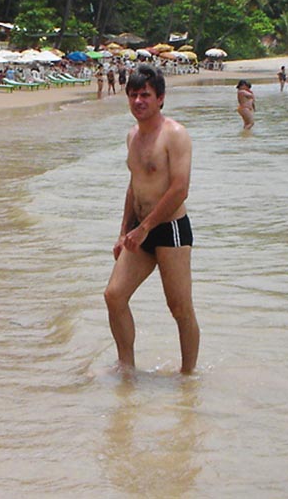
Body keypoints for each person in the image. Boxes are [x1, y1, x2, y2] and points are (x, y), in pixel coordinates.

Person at [104, 64, 199, 374]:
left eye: (145, 95)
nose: (138, 101)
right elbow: (134, 186)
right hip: (139, 231)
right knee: (114, 295)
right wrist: (124, 232)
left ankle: (188, 378)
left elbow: (180, 189)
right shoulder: (132, 136)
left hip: (169, 229)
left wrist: (145, 228)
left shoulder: (175, 135)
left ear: (160, 98)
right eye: (133, 95)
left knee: (179, 307)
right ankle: (127, 368)